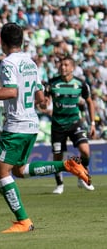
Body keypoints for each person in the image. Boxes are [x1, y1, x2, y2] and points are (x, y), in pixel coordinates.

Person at [0, 22, 91, 233]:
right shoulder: (32, 63)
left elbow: (11, 92)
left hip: (16, 124)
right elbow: (41, 98)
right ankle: (66, 166)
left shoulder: (8, 63)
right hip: (31, 124)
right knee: (19, 170)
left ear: (2, 42)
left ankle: (23, 220)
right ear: (21, 41)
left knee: (0, 172)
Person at [44, 56, 96, 194]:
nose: (63, 67)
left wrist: (93, 123)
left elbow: (90, 102)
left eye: (66, 65)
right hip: (57, 125)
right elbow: (45, 102)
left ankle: (81, 175)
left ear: (72, 68)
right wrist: (43, 104)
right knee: (57, 157)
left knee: (85, 151)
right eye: (61, 65)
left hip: (74, 123)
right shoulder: (52, 83)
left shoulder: (81, 84)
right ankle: (59, 184)